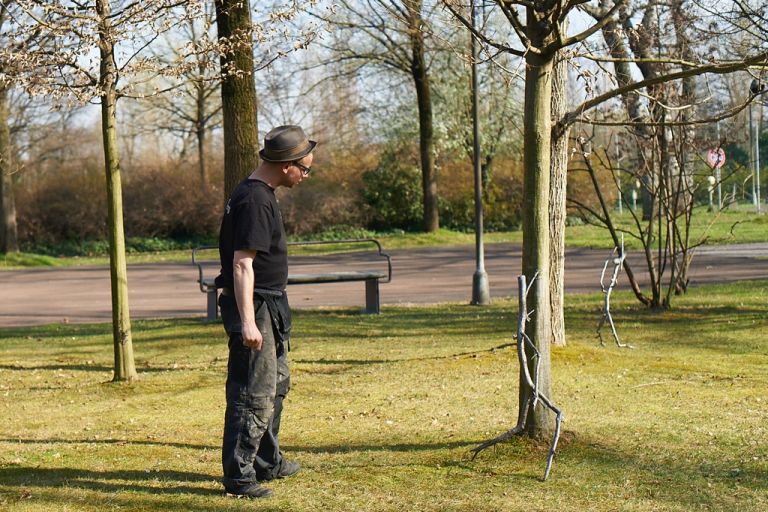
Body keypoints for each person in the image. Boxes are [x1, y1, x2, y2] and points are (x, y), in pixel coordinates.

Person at [214, 125, 316, 498]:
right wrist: (247, 323)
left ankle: (266, 461)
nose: (306, 176)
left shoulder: (259, 193)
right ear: (287, 165)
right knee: (252, 393)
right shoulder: (254, 200)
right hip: (254, 306)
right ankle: (239, 478)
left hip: (270, 304)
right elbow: (242, 265)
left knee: (276, 386)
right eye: (305, 169)